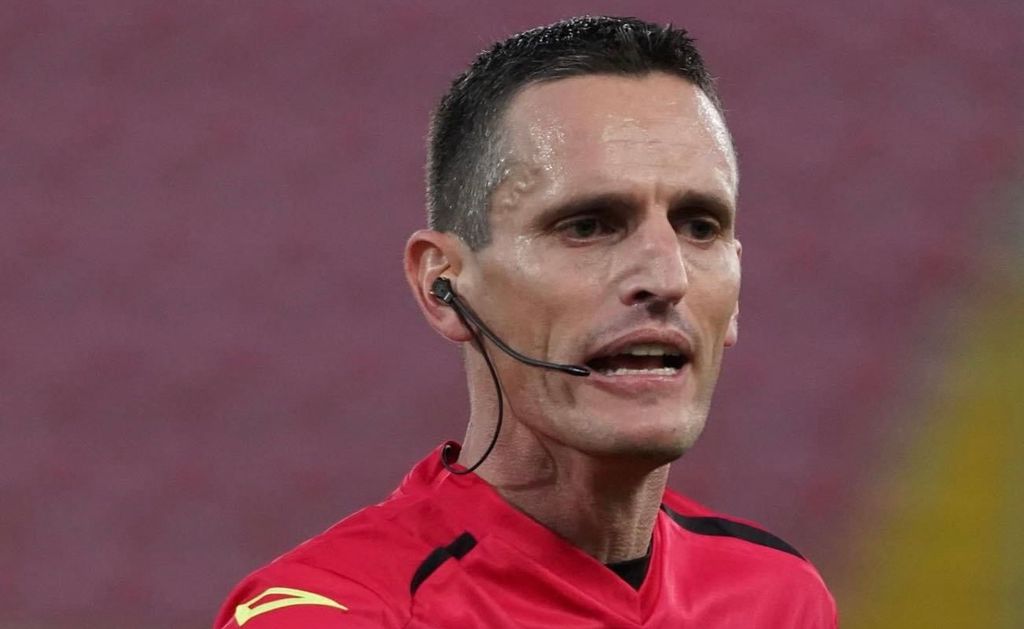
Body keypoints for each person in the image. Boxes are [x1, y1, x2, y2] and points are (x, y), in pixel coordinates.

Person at [214, 15, 837, 628]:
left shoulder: (778, 598)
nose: (667, 277)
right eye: (587, 226)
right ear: (443, 286)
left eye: (700, 227)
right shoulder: (341, 612)